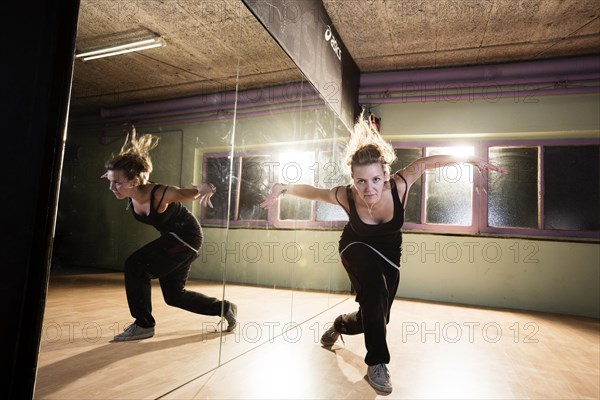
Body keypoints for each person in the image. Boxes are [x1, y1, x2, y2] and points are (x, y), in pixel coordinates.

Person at [260, 113, 506, 393]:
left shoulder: (400, 185)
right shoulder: (346, 196)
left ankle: (339, 324)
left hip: (389, 255)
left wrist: (469, 159)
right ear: (353, 180)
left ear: (386, 175)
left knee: (375, 315)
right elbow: (315, 192)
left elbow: (426, 163)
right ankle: (377, 363)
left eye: (376, 179)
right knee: (374, 295)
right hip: (355, 247)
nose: (369, 189)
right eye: (361, 181)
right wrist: (284, 188)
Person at [101, 130, 237, 342]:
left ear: (135, 181)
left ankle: (143, 324)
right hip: (174, 239)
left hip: (187, 238)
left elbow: (196, 191)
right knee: (174, 296)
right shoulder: (128, 188)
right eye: (110, 181)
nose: (112, 187)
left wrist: (207, 186)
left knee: (135, 265)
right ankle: (224, 307)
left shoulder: (162, 193)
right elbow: (116, 178)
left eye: (116, 183)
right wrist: (114, 176)